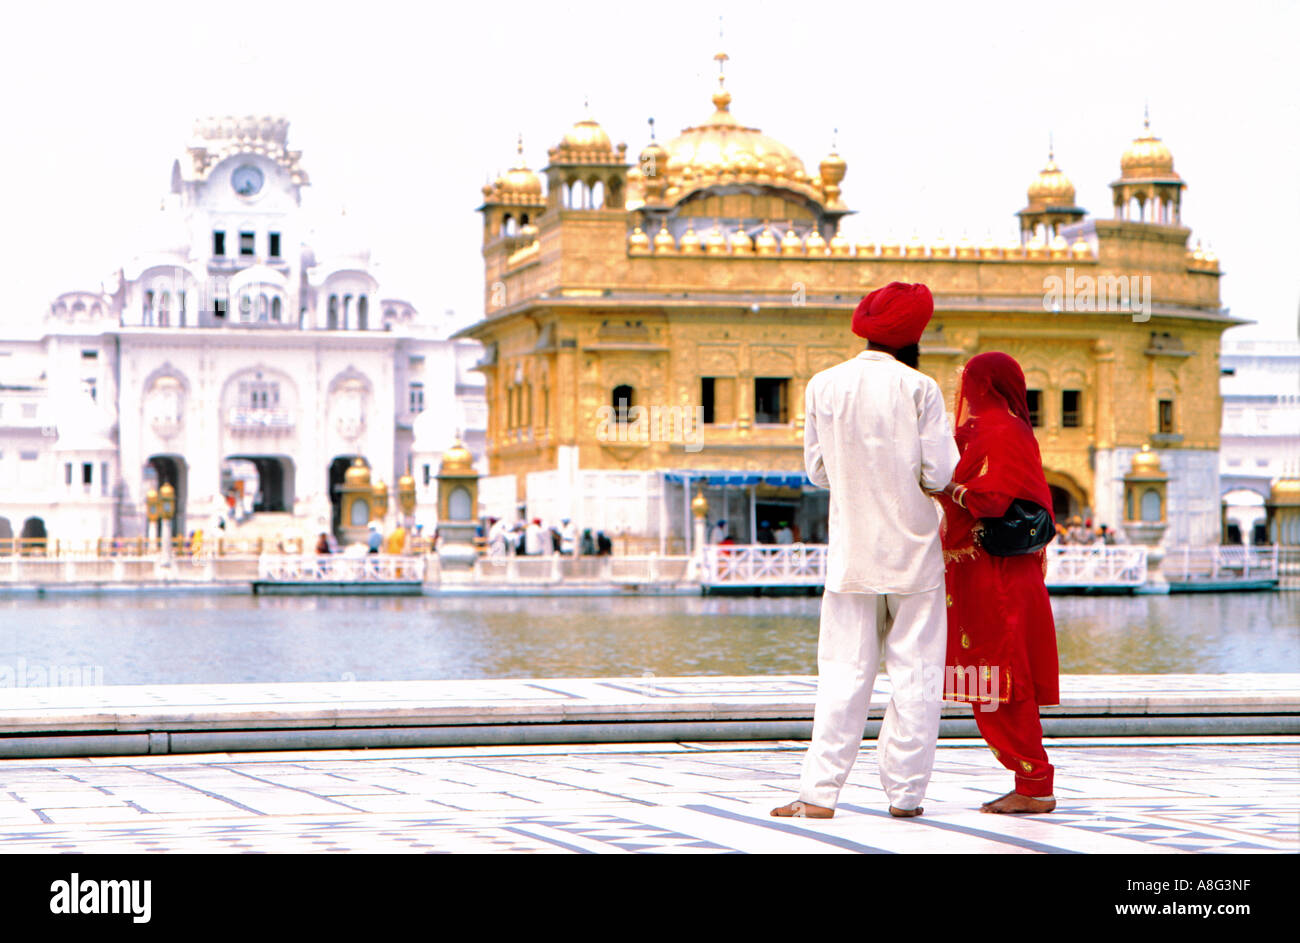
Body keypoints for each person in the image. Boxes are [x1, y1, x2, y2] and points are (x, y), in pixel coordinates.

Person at [772, 281, 957, 820]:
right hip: (915, 554)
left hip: (852, 553)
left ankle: (818, 795)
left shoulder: (822, 386)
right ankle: (905, 797)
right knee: (916, 675)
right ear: (914, 336)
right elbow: (940, 473)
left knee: (842, 673)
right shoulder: (920, 388)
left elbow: (817, 471)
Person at [934, 352, 1060, 814]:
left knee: (1001, 675)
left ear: (981, 386)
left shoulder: (998, 431)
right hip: (991, 571)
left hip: (995, 575)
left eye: (969, 383)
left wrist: (949, 488)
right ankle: (1030, 781)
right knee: (995, 676)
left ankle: (1034, 783)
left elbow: (993, 499)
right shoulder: (1004, 430)